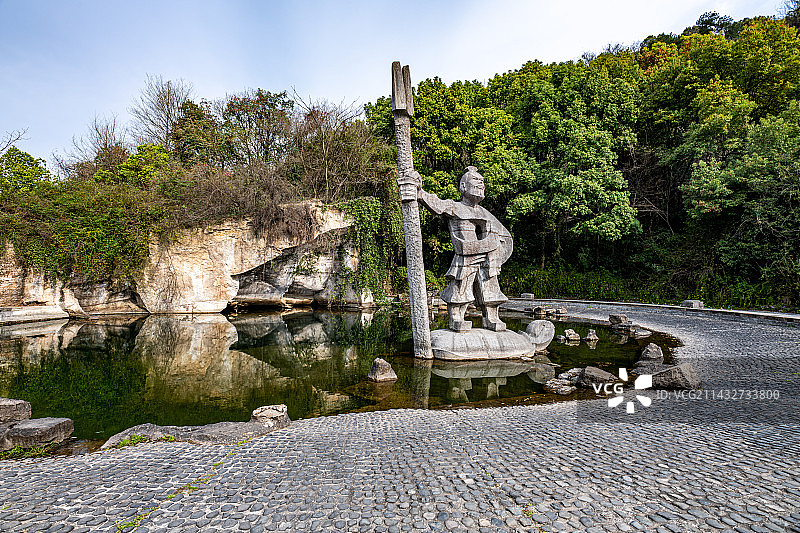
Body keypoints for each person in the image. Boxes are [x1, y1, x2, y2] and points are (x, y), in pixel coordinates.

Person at [398, 166, 512, 332]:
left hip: (488, 258)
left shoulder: (486, 214)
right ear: (463, 187)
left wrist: (496, 252)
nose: (481, 184)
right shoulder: (454, 207)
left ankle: (491, 317)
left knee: (490, 284)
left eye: (482, 182)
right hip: (466, 256)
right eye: (476, 181)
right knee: (460, 285)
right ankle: (457, 317)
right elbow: (437, 204)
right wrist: (419, 191)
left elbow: (505, 237)